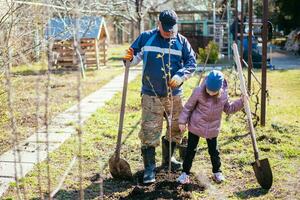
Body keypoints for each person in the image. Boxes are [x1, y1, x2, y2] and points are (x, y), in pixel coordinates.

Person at [123, 9, 196, 184]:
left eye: (172, 28)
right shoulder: (146, 37)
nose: (169, 31)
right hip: (151, 95)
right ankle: (149, 169)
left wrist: (181, 76)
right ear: (158, 24)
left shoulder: (181, 42)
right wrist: (127, 59)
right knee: (149, 131)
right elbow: (132, 57)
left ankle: (168, 160)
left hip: (175, 96)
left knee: (176, 128)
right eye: (165, 28)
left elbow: (191, 62)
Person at [176, 70, 247, 184]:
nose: (210, 93)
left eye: (214, 91)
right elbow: (188, 107)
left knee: (214, 151)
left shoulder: (223, 95)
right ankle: (185, 173)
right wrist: (182, 121)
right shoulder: (199, 91)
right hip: (196, 125)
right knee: (190, 150)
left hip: (213, 129)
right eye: (208, 90)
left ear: (219, 89)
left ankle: (217, 172)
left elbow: (228, 108)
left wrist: (241, 102)